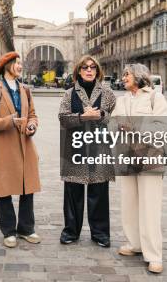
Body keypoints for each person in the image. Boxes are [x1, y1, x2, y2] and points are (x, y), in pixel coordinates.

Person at [109, 63, 167, 274]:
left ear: (138, 76)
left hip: (150, 158)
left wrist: (135, 127)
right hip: (127, 157)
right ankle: (134, 244)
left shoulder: (155, 98)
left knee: (150, 206)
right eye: (123, 75)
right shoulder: (121, 100)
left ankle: (154, 255)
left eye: (126, 74)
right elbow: (111, 125)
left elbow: (162, 127)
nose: (123, 77)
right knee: (129, 203)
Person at [0, 52, 41, 248]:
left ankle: (26, 228)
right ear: (7, 66)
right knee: (4, 189)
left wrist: (32, 125)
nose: (20, 66)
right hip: (3, 148)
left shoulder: (25, 90)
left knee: (27, 188)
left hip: (25, 146)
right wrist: (9, 121)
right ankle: (8, 231)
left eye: (20, 63)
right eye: (17, 63)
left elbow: (32, 115)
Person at [58, 55, 116, 247]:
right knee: (73, 192)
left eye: (92, 67)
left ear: (97, 71)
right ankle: (71, 231)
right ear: (79, 71)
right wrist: (82, 117)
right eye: (85, 67)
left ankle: (100, 234)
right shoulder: (69, 94)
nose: (89, 70)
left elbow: (115, 119)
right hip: (75, 147)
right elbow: (63, 118)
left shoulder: (108, 94)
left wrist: (100, 114)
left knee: (99, 192)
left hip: (99, 148)